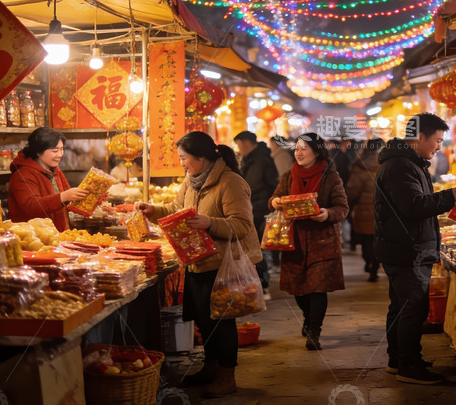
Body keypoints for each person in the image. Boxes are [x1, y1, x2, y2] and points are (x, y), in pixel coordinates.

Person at [135, 132, 261, 398]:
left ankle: (227, 377)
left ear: (202, 157)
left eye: (184, 158)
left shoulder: (230, 182)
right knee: (204, 322)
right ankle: (210, 367)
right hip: (196, 262)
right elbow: (176, 208)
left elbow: (242, 225)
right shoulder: (191, 181)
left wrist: (209, 223)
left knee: (221, 323)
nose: (182, 163)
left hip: (221, 265)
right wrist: (153, 209)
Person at [374, 113, 456, 385]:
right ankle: (409, 366)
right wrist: (451, 195)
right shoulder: (400, 166)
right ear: (420, 137)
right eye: (437, 140)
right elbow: (414, 206)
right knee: (412, 308)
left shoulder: (410, 163)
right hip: (407, 249)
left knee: (401, 307)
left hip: (405, 247)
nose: (438, 147)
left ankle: (399, 360)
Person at [269, 132, 348, 351]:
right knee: (298, 289)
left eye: (304, 148)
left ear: (316, 151)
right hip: (294, 241)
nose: (299, 153)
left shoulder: (331, 177)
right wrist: (275, 201)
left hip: (322, 242)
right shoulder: (288, 176)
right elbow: (274, 197)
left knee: (317, 288)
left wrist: (326, 213)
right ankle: (307, 315)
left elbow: (342, 208)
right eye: (296, 149)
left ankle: (315, 330)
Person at [8, 127, 89, 232]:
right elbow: (30, 207)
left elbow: (69, 201)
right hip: (34, 238)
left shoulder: (55, 171)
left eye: (62, 149)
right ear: (38, 151)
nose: (60, 154)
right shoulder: (22, 175)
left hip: (58, 235)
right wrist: (63, 197)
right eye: (55, 151)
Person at [234, 130, 278, 294]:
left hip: (261, 209)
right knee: (255, 248)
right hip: (251, 208)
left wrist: (271, 208)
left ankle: (262, 284)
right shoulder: (249, 160)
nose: (239, 149)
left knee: (258, 248)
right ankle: (258, 283)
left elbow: (272, 184)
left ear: (246, 143)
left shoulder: (262, 160)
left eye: (239, 145)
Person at [345, 138, 384, 282]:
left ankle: (369, 263)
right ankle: (375, 265)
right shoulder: (387, 163)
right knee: (379, 239)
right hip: (382, 211)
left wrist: (348, 204)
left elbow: (352, 189)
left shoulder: (360, 165)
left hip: (363, 211)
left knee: (366, 241)